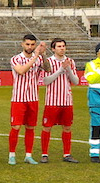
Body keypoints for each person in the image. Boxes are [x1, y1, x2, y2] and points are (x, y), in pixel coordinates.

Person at [8, 34, 46, 165]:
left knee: (30, 127)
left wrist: (44, 54)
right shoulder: (15, 59)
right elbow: (21, 71)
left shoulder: (39, 58)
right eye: (27, 44)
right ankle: (12, 155)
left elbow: (48, 69)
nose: (30, 47)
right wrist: (35, 56)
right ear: (22, 44)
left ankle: (28, 155)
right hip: (18, 98)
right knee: (16, 126)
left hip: (33, 98)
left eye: (32, 44)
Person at [41, 38, 79, 163]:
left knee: (67, 127)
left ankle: (67, 154)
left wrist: (68, 69)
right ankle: (44, 154)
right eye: (59, 46)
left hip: (67, 100)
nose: (62, 48)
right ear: (53, 49)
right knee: (47, 127)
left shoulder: (70, 62)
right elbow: (45, 81)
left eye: (63, 46)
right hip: (52, 101)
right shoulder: (48, 62)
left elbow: (76, 81)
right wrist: (60, 70)